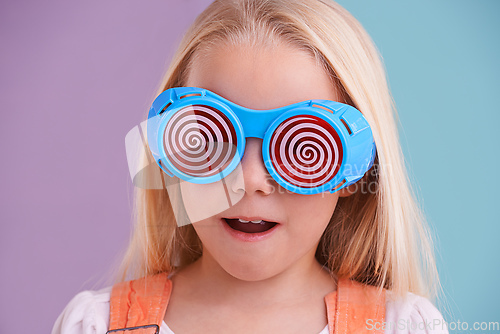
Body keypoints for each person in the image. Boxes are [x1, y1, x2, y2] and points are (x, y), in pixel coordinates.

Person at [52, 0, 449, 333]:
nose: (249, 179)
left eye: (302, 144)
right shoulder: (96, 324)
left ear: (354, 170)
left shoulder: (404, 326)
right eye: (214, 135)